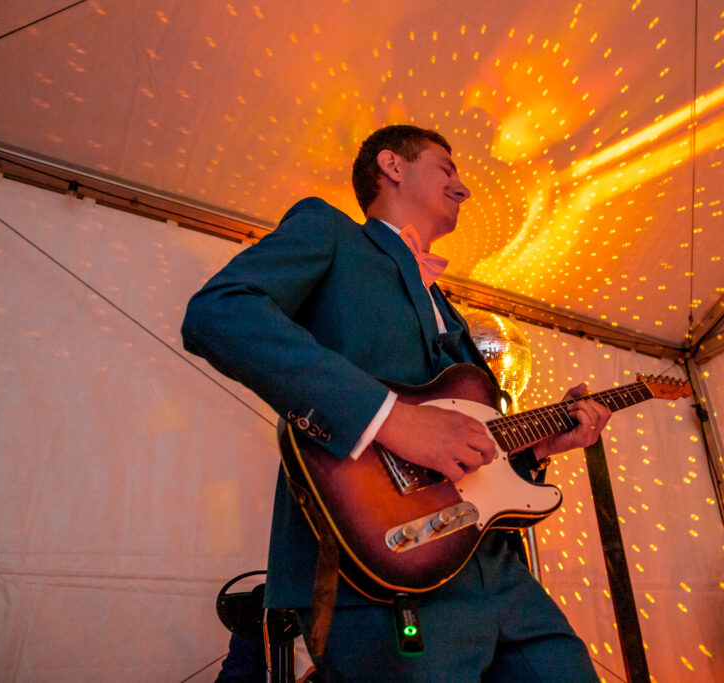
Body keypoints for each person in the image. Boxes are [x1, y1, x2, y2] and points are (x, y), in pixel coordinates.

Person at [182, 124, 611, 681]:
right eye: (447, 167)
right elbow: (219, 312)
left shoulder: (451, 309)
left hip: (501, 576)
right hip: (382, 573)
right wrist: (391, 418)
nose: (464, 187)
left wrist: (538, 447)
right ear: (392, 165)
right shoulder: (327, 229)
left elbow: (468, 440)